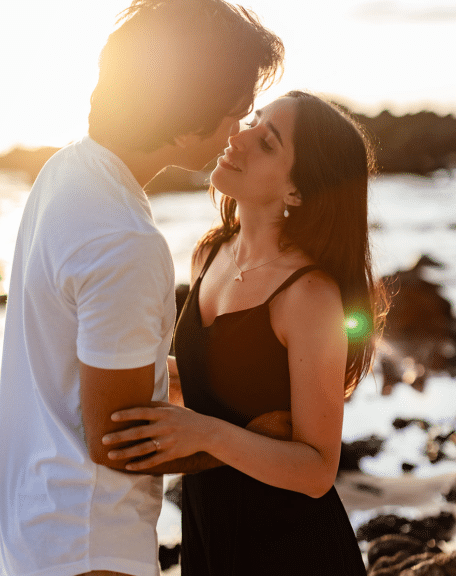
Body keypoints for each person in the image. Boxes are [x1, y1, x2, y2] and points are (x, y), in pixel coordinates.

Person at [0, 0, 285, 576]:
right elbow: (118, 445)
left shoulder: (64, 172)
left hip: (28, 537)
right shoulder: (127, 241)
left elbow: (79, 367)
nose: (242, 126)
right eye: (240, 105)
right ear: (187, 120)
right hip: (89, 549)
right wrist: (252, 438)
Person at [103, 92, 381, 575]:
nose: (239, 135)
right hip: (212, 530)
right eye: (252, 121)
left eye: (267, 142)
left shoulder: (310, 296)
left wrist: (204, 433)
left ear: (297, 190)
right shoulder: (210, 254)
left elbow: (317, 470)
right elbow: (218, 386)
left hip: (290, 550)